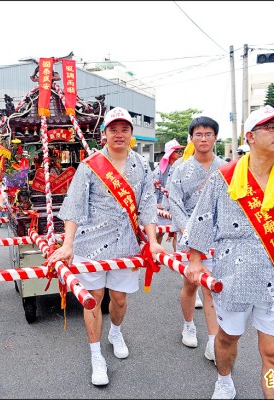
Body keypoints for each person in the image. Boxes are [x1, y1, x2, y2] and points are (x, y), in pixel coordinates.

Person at [182, 105, 274, 399]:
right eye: (271, 127)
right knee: (228, 339)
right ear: (250, 136)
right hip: (233, 274)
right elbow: (203, 219)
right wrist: (195, 259)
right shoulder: (225, 177)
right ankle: (224, 378)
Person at [47, 107, 166, 386]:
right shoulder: (90, 165)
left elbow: (147, 205)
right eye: (114, 129)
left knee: (120, 299)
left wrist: (154, 241)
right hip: (90, 243)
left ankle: (115, 331)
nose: (119, 134)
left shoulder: (142, 165)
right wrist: (68, 245)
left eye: (124, 129)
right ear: (105, 135)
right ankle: (95, 354)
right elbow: (75, 206)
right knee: (93, 298)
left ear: (131, 134)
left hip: (126, 244)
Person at [167, 116, 225, 363]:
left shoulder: (226, 168)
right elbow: (175, 203)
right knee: (191, 284)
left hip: (217, 237)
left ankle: (213, 341)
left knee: (211, 288)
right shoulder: (180, 169)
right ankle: (188, 324)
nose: (203, 138)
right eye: (198, 134)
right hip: (190, 237)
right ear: (191, 138)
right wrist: (189, 233)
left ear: (215, 138)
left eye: (208, 134)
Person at [153, 139, 185, 249]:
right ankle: (154, 257)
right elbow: (152, 188)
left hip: (177, 206)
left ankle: (179, 259)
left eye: (181, 151)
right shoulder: (160, 170)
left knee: (179, 233)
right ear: (170, 153)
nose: (180, 154)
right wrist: (156, 204)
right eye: (177, 152)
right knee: (160, 232)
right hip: (162, 207)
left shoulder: (181, 167)